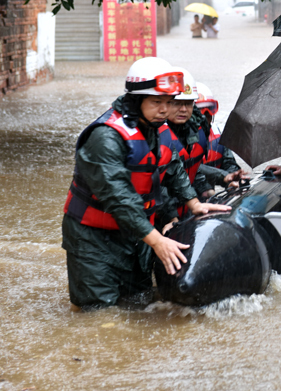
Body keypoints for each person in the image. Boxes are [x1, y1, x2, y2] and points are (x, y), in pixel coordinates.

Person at [61, 57, 231, 309]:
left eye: (168, 102)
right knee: (99, 313)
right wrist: (157, 241)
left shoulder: (158, 129)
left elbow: (173, 167)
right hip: (93, 238)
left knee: (140, 301)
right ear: (136, 100)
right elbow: (118, 198)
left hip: (137, 234)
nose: (165, 110)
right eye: (156, 102)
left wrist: (194, 203)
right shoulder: (106, 138)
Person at [159, 68, 243, 222]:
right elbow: (161, 181)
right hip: (162, 216)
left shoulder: (198, 133)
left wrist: (226, 180)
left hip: (190, 208)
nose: (183, 109)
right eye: (177, 103)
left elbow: (191, 169)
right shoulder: (156, 135)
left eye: (188, 104)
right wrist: (171, 217)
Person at [195, 82, 242, 193]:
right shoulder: (175, 140)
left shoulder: (216, 135)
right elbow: (190, 168)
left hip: (208, 199)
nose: (204, 118)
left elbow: (229, 163)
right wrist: (223, 176)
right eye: (199, 113)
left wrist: (234, 178)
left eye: (208, 112)